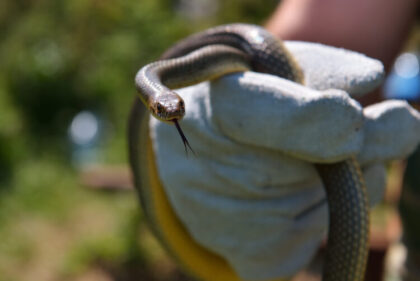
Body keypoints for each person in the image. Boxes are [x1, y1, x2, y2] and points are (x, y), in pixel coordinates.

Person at [129, 1, 420, 280]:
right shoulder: (155, 86)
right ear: (151, 104)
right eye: (162, 110)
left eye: (177, 106)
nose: (173, 112)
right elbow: (286, 86)